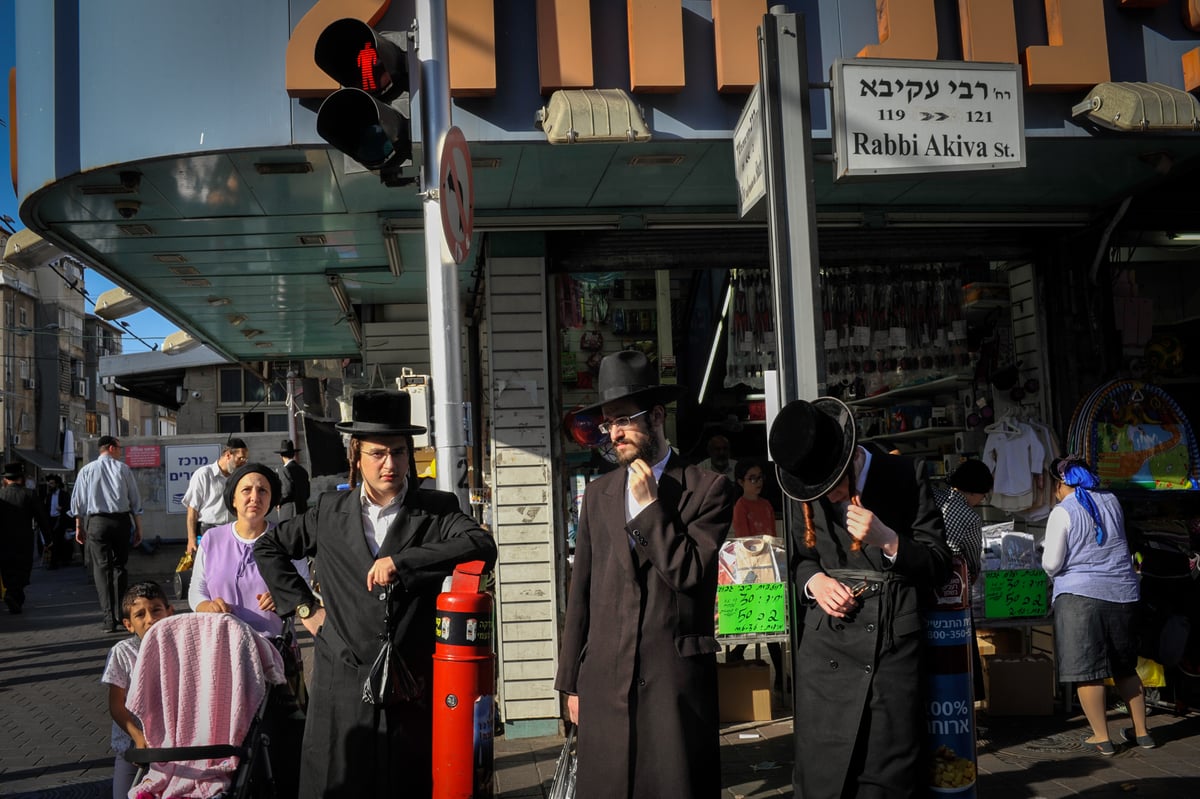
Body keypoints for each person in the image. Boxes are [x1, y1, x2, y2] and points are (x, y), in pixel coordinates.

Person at [255, 389, 497, 798]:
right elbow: (268, 547)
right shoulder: (328, 513)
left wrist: (401, 562)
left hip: (412, 682)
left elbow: (481, 546)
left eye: (399, 452)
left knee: (408, 782)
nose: (390, 464)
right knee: (341, 781)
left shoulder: (436, 509)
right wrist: (305, 607)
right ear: (357, 455)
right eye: (378, 453)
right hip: (342, 677)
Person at [555, 350, 735, 799]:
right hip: (604, 682)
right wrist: (570, 684)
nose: (613, 433)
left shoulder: (707, 489)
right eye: (606, 423)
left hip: (672, 684)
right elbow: (582, 593)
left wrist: (652, 508)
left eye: (623, 419)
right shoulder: (597, 494)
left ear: (656, 416)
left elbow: (690, 573)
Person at [768, 397, 951, 799]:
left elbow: (939, 565)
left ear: (850, 459)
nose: (827, 497)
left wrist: (888, 539)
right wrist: (814, 581)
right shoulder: (803, 487)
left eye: (831, 486)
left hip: (891, 645)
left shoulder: (906, 473)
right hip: (826, 646)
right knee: (821, 775)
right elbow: (801, 559)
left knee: (886, 775)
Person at [190, 461, 310, 799]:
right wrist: (206, 606)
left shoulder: (285, 538)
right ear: (233, 498)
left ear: (272, 499)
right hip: (222, 652)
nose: (254, 496)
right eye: (246, 489)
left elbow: (302, 586)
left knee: (277, 732)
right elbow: (196, 590)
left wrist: (283, 594)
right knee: (229, 731)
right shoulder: (212, 539)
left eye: (263, 491)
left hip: (273, 654)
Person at [1042, 455, 1153, 755]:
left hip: (1080, 597)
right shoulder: (1112, 501)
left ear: (1061, 484)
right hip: (1122, 593)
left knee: (1088, 670)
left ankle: (1101, 738)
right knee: (1125, 667)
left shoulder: (1062, 512)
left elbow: (1051, 564)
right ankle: (1142, 733)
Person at [102, 580, 174, 799]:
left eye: (156, 610)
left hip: (173, 746)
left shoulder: (181, 647)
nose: (150, 619)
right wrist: (137, 736)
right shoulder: (122, 653)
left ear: (169, 612)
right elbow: (116, 704)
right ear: (128, 624)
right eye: (140, 614)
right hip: (134, 747)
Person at [933, 458, 995, 701]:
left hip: (920, 583)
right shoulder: (969, 517)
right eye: (982, 495)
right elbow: (971, 557)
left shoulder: (933, 497)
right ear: (974, 491)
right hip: (952, 593)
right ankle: (962, 703)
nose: (981, 501)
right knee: (958, 653)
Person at [70, 436, 145, 632]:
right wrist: (139, 527)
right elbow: (135, 500)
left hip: (97, 522)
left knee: (102, 569)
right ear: (111, 448)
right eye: (119, 448)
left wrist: (79, 526)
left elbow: (78, 501)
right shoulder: (123, 469)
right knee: (120, 566)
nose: (121, 451)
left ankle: (108, 617)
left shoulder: (86, 470)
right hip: (121, 521)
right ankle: (120, 613)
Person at [727, 458, 785, 686]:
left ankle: (780, 675)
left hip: (769, 566)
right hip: (750, 569)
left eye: (760, 477)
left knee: (772, 624)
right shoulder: (740, 506)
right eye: (752, 478)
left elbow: (771, 532)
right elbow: (744, 541)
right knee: (760, 623)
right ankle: (777, 673)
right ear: (741, 481)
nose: (758, 482)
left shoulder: (767, 504)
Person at [1, 462, 54, 614]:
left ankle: (12, 594)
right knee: (22, 568)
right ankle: (14, 595)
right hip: (24, 539)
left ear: (6, 479)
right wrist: (48, 538)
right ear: (21, 478)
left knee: (7, 568)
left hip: (4, 540)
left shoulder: (1, 495)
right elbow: (41, 518)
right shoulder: (29, 494)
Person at [182, 437, 248, 554]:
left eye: (245, 459)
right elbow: (192, 510)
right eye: (240, 458)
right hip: (209, 531)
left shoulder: (239, 478)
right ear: (228, 455)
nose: (243, 462)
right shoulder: (204, 475)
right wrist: (191, 539)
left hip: (233, 532)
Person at [275, 438, 311, 521]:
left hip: (289, 511)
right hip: (303, 511)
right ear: (294, 454)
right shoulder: (303, 470)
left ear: (281, 455)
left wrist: (278, 502)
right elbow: (307, 493)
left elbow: (286, 491)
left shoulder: (284, 470)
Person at [44, 474, 74, 568]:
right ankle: (56, 561)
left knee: (59, 541)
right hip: (51, 521)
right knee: (54, 541)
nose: (50, 485)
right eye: (49, 483)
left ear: (57, 484)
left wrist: (62, 508)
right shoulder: (48, 496)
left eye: (52, 483)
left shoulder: (64, 494)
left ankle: (57, 562)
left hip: (60, 520)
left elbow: (69, 507)